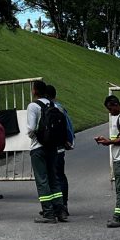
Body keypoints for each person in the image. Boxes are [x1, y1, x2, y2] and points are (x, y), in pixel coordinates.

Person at [27, 80, 66, 223]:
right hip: (53, 148)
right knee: (54, 178)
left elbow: (31, 128)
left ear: (35, 91)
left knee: (42, 180)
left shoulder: (33, 106)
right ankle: (60, 210)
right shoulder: (55, 106)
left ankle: (48, 213)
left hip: (38, 147)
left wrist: (36, 137)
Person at [95, 95, 120, 228]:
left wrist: (109, 142)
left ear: (116, 104)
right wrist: (106, 140)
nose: (109, 112)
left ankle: (119, 217)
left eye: (110, 109)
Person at [44, 85, 75, 215]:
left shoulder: (48, 108)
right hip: (60, 147)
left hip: (50, 147)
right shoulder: (61, 108)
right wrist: (69, 141)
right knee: (59, 175)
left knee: (53, 176)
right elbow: (68, 126)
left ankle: (56, 205)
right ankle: (62, 205)